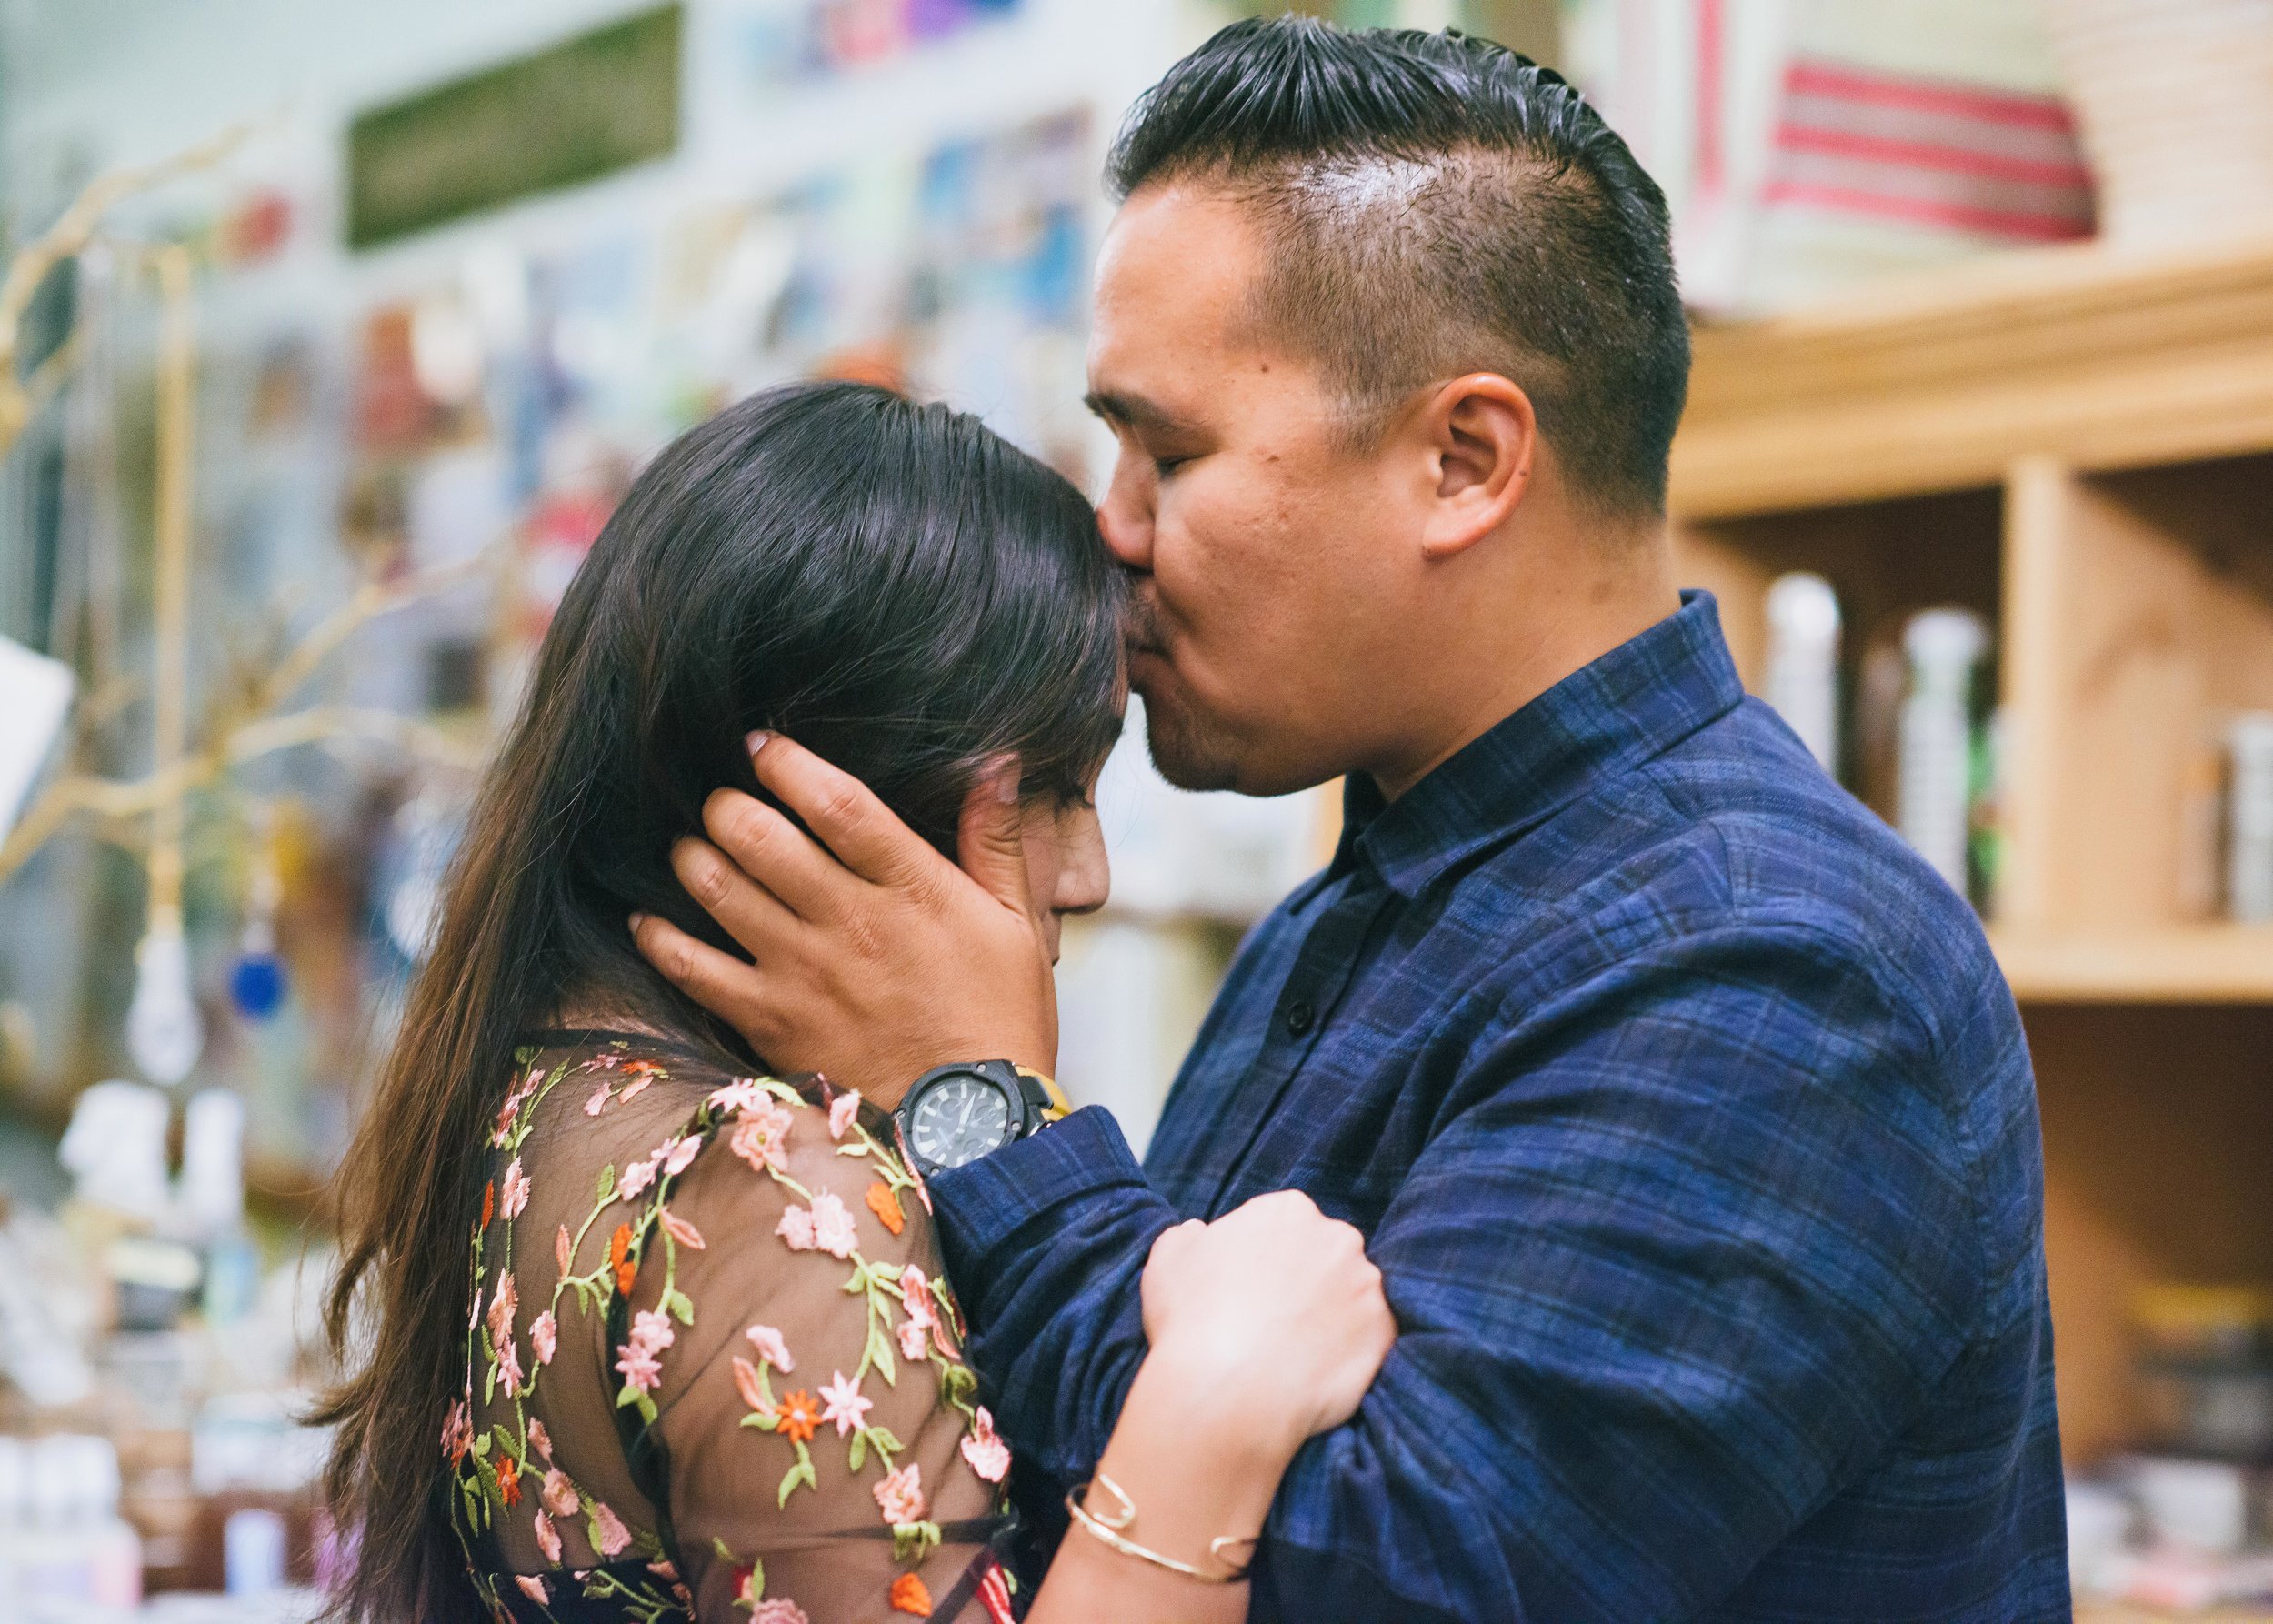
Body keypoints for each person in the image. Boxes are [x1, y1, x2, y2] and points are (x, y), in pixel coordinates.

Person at [633, 20, 2070, 1623]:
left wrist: (973, 1105)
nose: (1109, 531)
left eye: (1167, 452)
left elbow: (1379, 1573)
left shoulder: (1776, 960)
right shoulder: (1364, 900)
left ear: (1464, 461)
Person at [315, 380, 1395, 1624]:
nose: (1088, 873)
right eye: (1046, 785)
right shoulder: (770, 1189)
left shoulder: (550, 1079)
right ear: (836, 797)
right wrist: (1213, 1407)